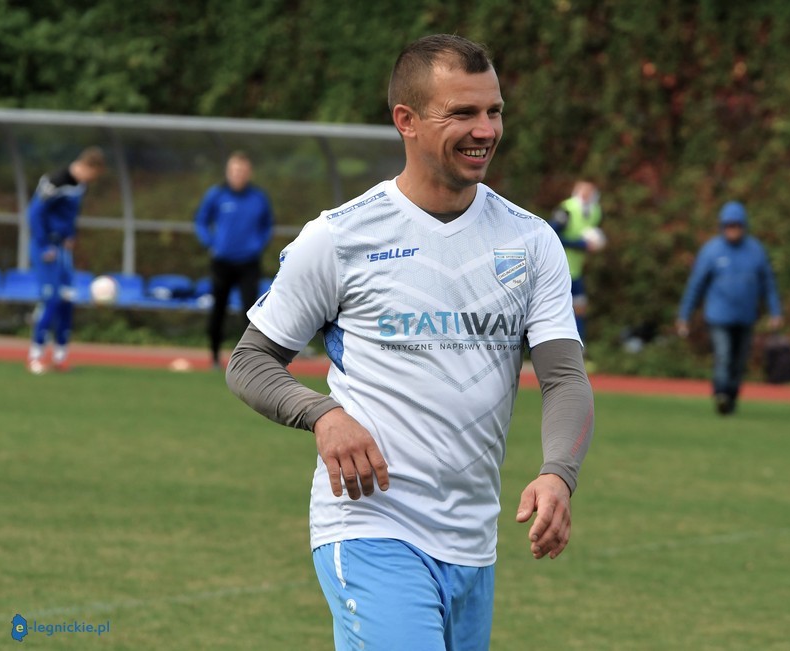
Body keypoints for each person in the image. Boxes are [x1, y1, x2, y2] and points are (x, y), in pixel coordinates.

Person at [226, 34, 594, 651]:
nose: (486, 130)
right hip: (368, 525)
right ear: (407, 120)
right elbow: (249, 361)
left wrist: (559, 473)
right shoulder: (339, 238)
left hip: (472, 543)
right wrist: (323, 415)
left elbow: (564, 379)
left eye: (494, 110)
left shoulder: (531, 241)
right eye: (463, 112)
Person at [676, 201, 783, 415]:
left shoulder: (755, 250)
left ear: (743, 226)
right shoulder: (711, 251)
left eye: (736, 225)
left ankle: (732, 396)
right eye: (728, 225)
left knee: (739, 361)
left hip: (745, 316)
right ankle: (721, 393)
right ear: (722, 226)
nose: (732, 229)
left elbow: (768, 283)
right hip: (719, 316)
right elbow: (696, 284)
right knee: (723, 355)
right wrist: (684, 314)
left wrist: (775, 311)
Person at [26, 146, 107, 374]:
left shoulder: (81, 186)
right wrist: (44, 244)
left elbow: (69, 215)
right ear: (87, 166)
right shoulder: (55, 181)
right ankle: (35, 356)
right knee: (50, 299)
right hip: (47, 248)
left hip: (63, 249)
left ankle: (60, 358)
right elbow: (35, 213)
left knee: (67, 300)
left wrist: (71, 235)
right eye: (93, 174)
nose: (92, 180)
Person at [194, 151, 274, 367]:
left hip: (249, 263)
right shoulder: (216, 195)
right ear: (228, 172)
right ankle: (214, 356)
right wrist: (210, 243)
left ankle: (249, 360)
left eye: (242, 171)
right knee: (218, 309)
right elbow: (201, 221)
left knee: (251, 311)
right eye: (234, 170)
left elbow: (267, 225)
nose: (238, 175)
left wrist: (258, 245)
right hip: (222, 262)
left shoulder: (258, 197)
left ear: (249, 173)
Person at [549, 180, 604, 342]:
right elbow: (551, 234)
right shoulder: (567, 210)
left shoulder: (595, 211)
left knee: (579, 308)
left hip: (576, 271)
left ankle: (579, 345)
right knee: (555, 310)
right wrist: (580, 245)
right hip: (559, 269)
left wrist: (594, 243)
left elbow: (590, 233)